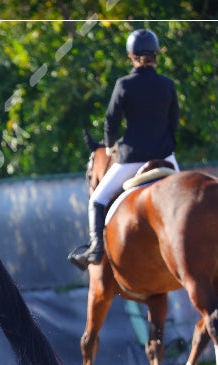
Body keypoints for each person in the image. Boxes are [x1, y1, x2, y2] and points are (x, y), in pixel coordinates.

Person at [68, 28, 179, 269]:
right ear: (156, 54)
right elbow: (174, 123)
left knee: (97, 201)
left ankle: (96, 249)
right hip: (166, 156)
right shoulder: (168, 84)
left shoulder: (124, 84)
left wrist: (109, 147)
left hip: (132, 159)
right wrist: (165, 148)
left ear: (131, 55)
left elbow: (111, 121)